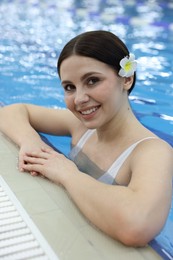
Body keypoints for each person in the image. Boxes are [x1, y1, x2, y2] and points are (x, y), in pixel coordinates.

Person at [0, 30, 172, 247]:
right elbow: (11, 111)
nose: (79, 99)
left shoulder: (152, 152)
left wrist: (67, 173)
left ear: (126, 79)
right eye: (69, 87)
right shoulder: (82, 127)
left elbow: (137, 225)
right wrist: (30, 141)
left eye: (92, 81)